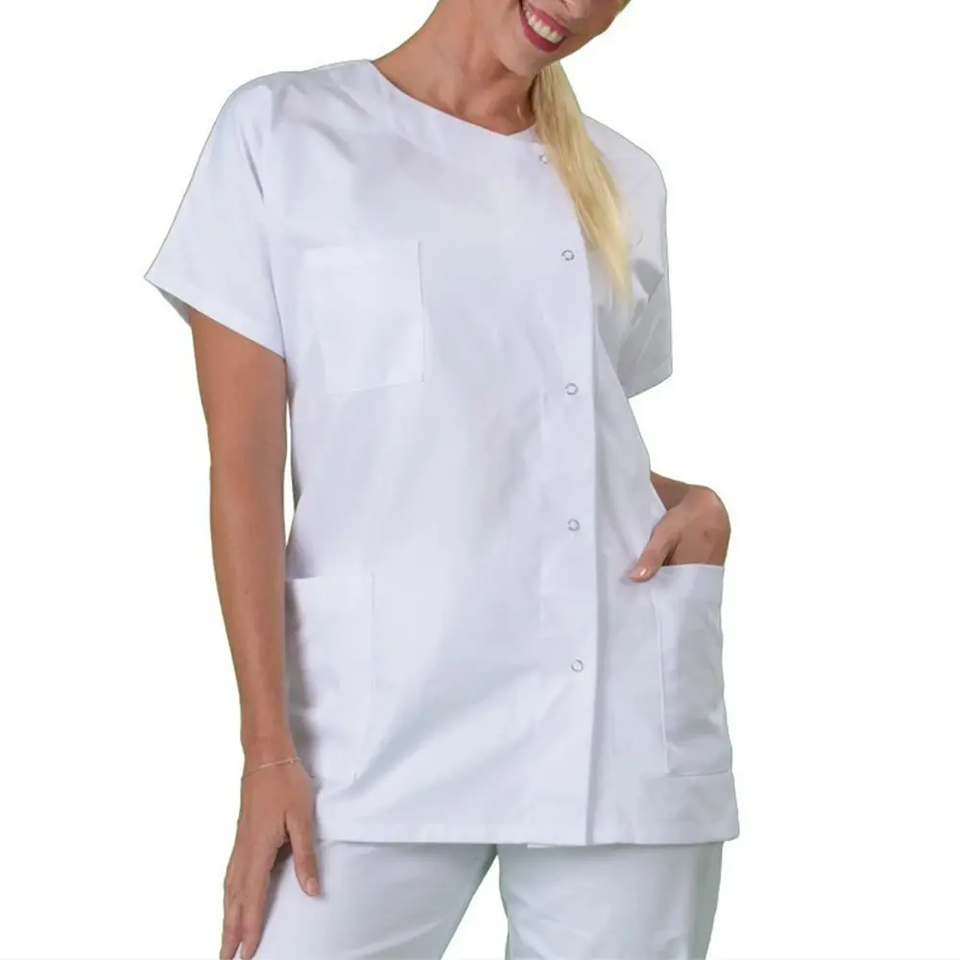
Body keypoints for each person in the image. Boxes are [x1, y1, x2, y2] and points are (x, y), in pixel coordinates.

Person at [143, 0, 740, 956]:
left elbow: (552, 445)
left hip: (614, 717)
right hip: (371, 721)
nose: (577, 7)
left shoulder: (624, 178)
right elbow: (244, 465)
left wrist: (697, 508)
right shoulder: (284, 133)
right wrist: (265, 754)